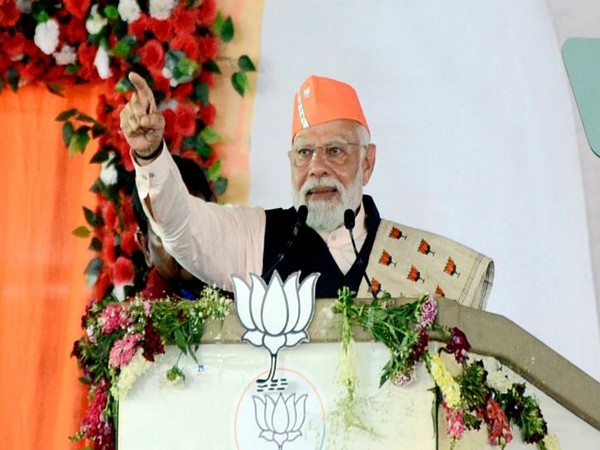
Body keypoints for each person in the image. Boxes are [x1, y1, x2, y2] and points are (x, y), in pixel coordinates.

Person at [121, 72, 494, 309]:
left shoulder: (420, 259)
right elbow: (183, 228)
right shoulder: (256, 236)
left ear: (367, 163)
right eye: (304, 153)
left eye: (335, 151)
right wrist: (151, 156)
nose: (317, 167)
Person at [132, 154, 217, 300]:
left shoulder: (254, 276)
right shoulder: (132, 315)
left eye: (192, 220)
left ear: (215, 211)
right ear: (146, 247)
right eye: (166, 230)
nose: (182, 241)